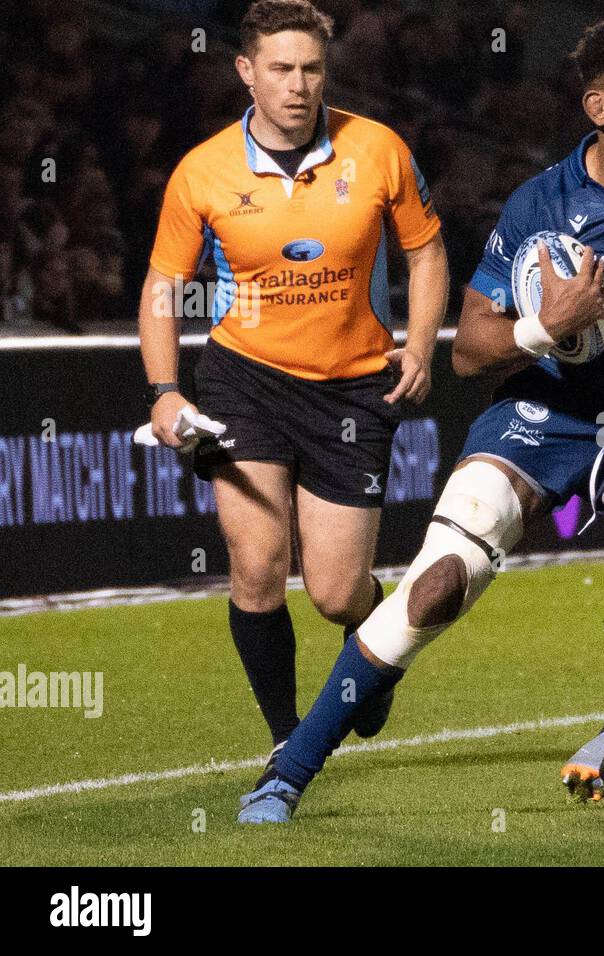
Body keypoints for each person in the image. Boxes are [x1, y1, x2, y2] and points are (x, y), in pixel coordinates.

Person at [238, 8, 604, 823]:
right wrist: (547, 326)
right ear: (600, 108)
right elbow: (470, 351)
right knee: (436, 588)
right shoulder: (545, 201)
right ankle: (288, 773)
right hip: (542, 414)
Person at [138, 0, 448, 768]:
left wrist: (420, 347)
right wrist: (164, 390)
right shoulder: (202, 171)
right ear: (247, 71)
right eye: (280, 68)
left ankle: (372, 640)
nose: (298, 84)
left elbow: (429, 252)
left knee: (338, 593)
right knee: (256, 568)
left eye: (311, 68)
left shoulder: (377, 149)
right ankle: (286, 739)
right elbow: (161, 286)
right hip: (244, 382)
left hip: (354, 390)